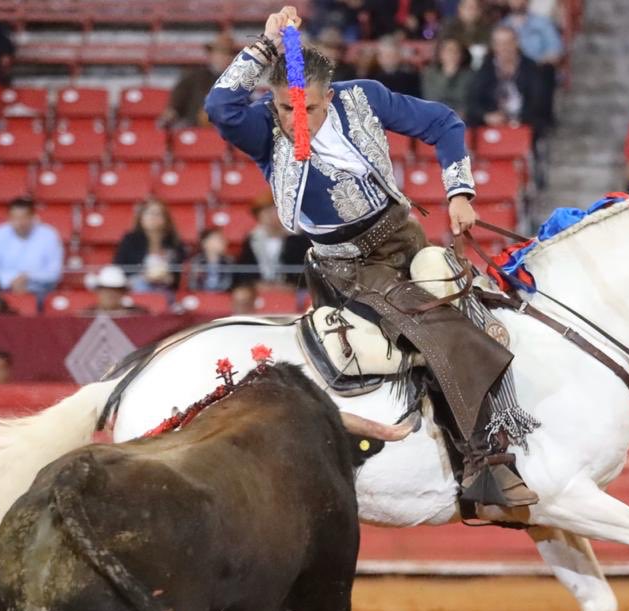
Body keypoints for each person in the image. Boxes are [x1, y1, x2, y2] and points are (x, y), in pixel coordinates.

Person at [206, 6, 537, 509]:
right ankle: (483, 459)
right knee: (436, 327)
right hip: (347, 268)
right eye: (285, 109)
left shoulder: (363, 97)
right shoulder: (263, 130)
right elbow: (219, 105)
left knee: (483, 306)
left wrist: (459, 194)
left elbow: (443, 123)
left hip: (403, 238)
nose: (298, 121)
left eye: (309, 109)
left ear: (330, 96)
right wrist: (267, 46)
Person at [467, 24, 552, 140]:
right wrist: (487, 116)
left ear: (516, 43)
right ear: (494, 46)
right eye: (499, 43)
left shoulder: (531, 67)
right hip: (492, 121)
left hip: (524, 122)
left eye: (508, 42)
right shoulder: (485, 68)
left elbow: (538, 101)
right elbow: (473, 100)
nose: (504, 47)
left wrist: (516, 119)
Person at [0, 198, 64, 296]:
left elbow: (54, 273)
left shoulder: (49, 235)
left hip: (39, 287)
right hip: (3, 286)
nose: (20, 223)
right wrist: (12, 280)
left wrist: (27, 277)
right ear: (9, 218)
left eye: (24, 217)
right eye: (15, 218)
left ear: (33, 217)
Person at [112, 199, 187, 293]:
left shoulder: (174, 243)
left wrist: (169, 278)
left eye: (158, 214)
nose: (153, 217)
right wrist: (144, 277)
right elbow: (118, 268)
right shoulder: (130, 240)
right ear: (141, 218)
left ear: (166, 219)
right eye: (149, 213)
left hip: (166, 290)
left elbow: (180, 273)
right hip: (134, 288)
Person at [160, 35, 235, 128]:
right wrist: (172, 112)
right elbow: (177, 100)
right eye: (221, 53)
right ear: (211, 55)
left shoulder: (239, 81)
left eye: (229, 54)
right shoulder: (195, 76)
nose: (224, 57)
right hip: (193, 124)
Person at [235, 201, 309, 288]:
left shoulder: (299, 239)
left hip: (292, 288)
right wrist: (254, 284)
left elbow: (303, 266)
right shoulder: (252, 239)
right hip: (259, 287)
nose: (269, 217)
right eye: (264, 213)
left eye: (272, 211)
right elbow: (245, 267)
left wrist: (292, 284)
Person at [421, 37, 474, 117]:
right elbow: (432, 98)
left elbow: (467, 100)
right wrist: (449, 74)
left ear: (462, 55)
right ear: (440, 54)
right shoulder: (430, 74)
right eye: (449, 50)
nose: (453, 54)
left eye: (456, 51)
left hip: (461, 118)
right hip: (436, 117)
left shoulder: (469, 75)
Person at [83, 266, 148, 317]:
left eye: (116, 290)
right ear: (98, 291)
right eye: (106, 290)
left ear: (123, 293)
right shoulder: (86, 316)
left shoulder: (137, 315)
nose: (110, 294)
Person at [187, 227, 235, 292]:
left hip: (222, 298)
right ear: (205, 243)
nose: (224, 242)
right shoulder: (196, 261)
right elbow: (192, 286)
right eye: (218, 239)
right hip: (200, 297)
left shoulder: (230, 261)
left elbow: (229, 284)